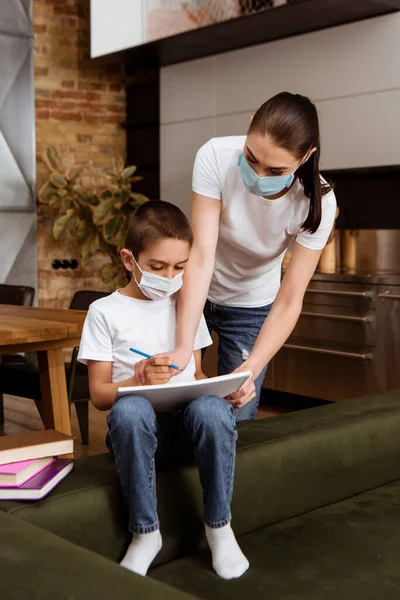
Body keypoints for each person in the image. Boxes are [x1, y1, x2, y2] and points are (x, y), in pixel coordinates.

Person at [78, 201, 249, 580]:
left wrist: (227, 391)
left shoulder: (186, 308)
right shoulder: (104, 313)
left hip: (187, 432)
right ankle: (145, 534)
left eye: (180, 268)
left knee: (212, 410)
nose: (170, 277)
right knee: (130, 409)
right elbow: (100, 396)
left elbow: (199, 374)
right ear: (128, 259)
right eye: (157, 267)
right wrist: (136, 381)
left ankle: (220, 528)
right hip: (137, 434)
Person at [152, 92, 337, 420]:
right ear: (250, 126)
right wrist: (184, 345)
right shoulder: (215, 156)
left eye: (276, 169)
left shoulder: (318, 205)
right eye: (251, 159)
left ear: (307, 156)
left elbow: (290, 300)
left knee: (238, 412)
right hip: (198, 289)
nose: (258, 177)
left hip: (253, 307)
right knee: (169, 403)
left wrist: (252, 367)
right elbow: (202, 256)